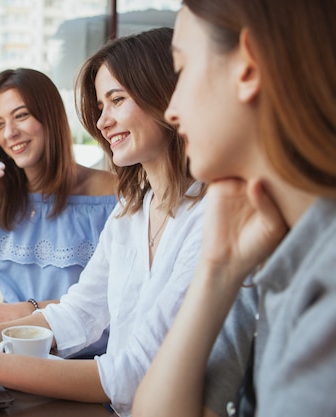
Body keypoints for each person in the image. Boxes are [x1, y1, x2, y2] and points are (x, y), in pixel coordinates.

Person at [0, 27, 234, 415]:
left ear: (168, 98)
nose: (102, 122)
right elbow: (78, 313)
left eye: (117, 100)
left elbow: (134, 374)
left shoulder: (210, 215)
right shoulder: (132, 209)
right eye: (101, 106)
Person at [132, 1, 336, 417]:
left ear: (248, 66)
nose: (171, 109)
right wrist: (217, 271)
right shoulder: (267, 255)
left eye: (182, 69)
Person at [0, 68, 116, 334]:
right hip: (13, 343)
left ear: (50, 116)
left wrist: (26, 309)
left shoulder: (110, 194)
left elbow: (115, 299)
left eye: (21, 116)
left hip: (85, 352)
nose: (9, 133)